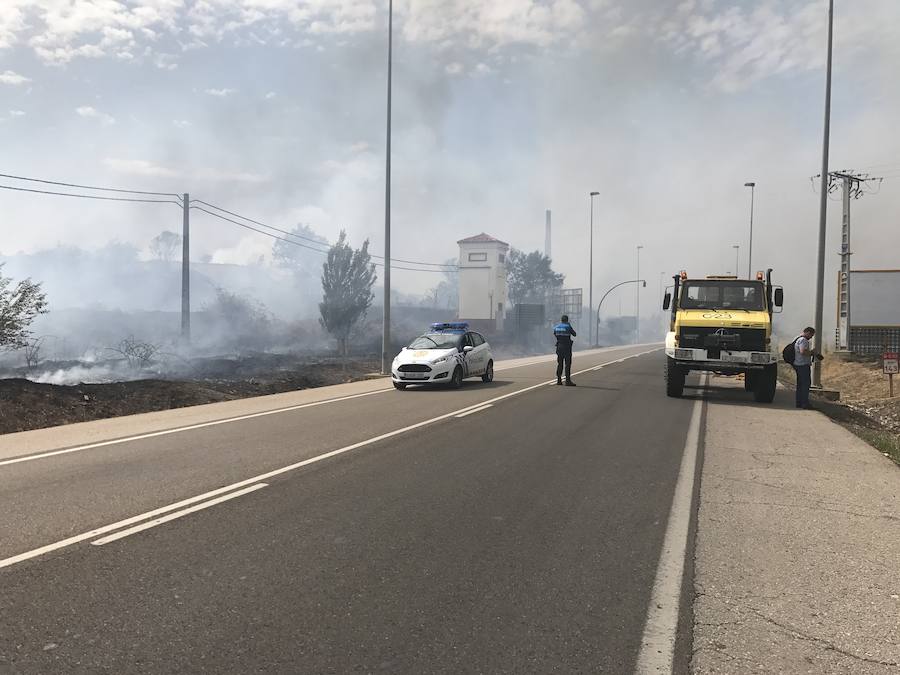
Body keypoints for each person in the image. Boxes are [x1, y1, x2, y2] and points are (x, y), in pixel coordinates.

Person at [792, 326, 821, 409]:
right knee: (805, 384)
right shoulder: (803, 340)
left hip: (798, 364)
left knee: (800, 385)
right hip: (802, 365)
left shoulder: (797, 338)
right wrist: (812, 352)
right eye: (811, 335)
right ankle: (804, 403)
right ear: (808, 332)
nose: (811, 337)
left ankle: (799, 403)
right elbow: (803, 352)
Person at [553, 315, 577, 386]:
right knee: (567, 364)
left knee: (560, 363)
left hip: (559, 347)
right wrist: (569, 326)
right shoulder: (568, 326)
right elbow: (574, 334)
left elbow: (555, 334)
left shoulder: (556, 327)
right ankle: (568, 381)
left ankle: (559, 380)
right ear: (567, 320)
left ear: (561, 320)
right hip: (567, 347)